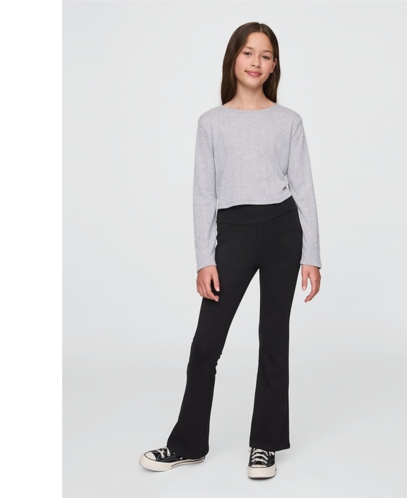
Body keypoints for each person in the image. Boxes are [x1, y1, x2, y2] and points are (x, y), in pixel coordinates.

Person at [139, 21, 322, 480]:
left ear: (274, 65)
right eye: (248, 52)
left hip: (282, 231)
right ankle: (187, 444)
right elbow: (204, 194)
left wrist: (312, 255)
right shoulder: (211, 123)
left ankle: (265, 445)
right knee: (206, 344)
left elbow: (304, 189)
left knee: (273, 338)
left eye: (265, 55)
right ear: (233, 58)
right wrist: (205, 258)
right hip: (234, 234)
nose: (256, 62)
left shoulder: (289, 121)